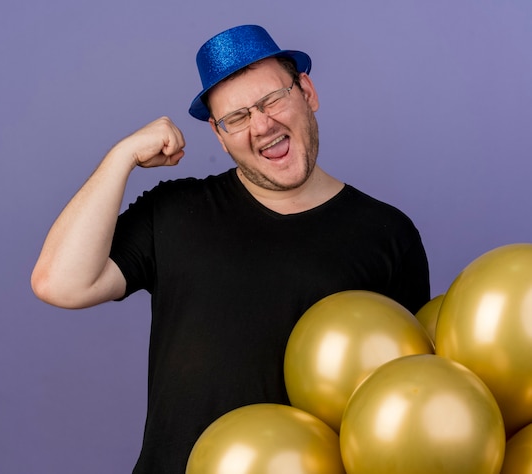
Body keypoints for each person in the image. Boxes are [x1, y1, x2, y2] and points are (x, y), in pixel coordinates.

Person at [31, 24, 430, 473]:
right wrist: (120, 157)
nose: (262, 125)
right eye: (236, 118)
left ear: (307, 92)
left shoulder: (387, 233)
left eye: (273, 99)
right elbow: (59, 282)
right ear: (220, 137)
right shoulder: (175, 212)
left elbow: (408, 399)